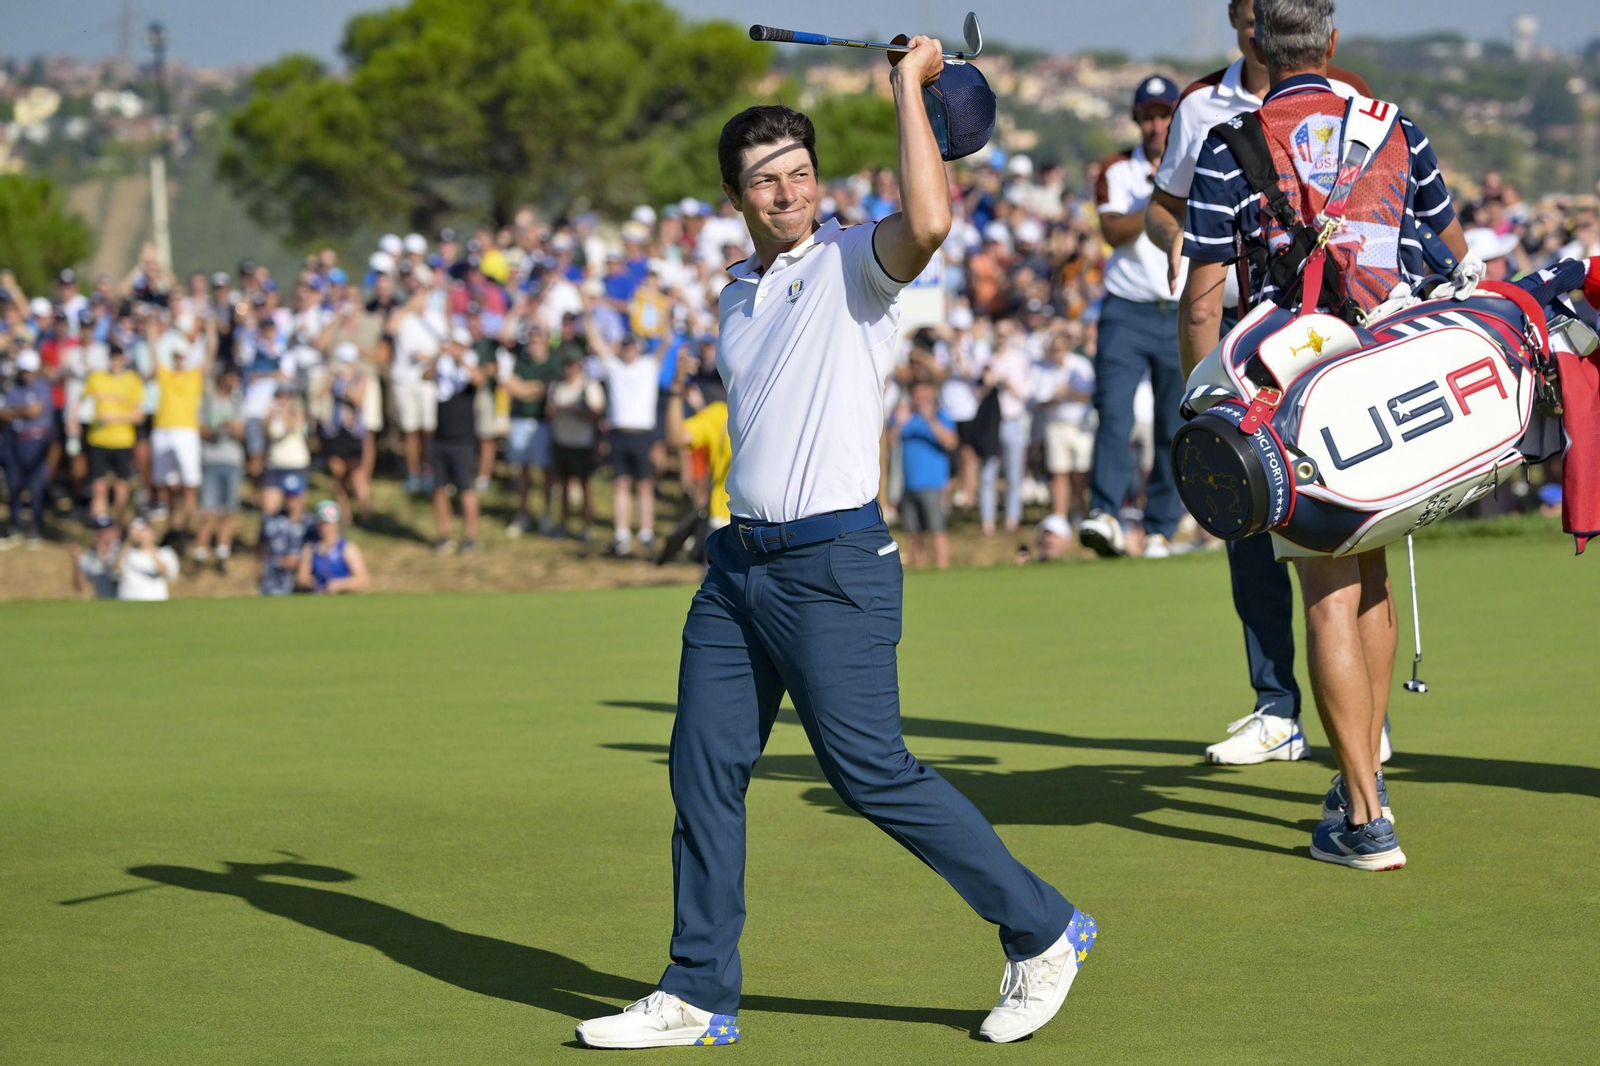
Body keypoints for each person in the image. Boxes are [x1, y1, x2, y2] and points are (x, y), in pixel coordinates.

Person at [576, 41, 1091, 1053]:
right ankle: (695, 988)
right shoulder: (733, 292)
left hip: (833, 565)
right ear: (735, 194)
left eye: (799, 176)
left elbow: (933, 218)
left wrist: (906, 86)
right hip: (736, 569)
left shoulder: (857, 263)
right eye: (765, 181)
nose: (786, 194)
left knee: (868, 771)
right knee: (700, 769)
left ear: (819, 185)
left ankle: (1042, 928)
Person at [1180, 0, 1473, 869]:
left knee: (1325, 590)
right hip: (1390, 376)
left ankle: (1365, 815)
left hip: (1294, 390)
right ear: (1333, 42)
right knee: (1370, 574)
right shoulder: (1397, 129)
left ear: (1259, 45)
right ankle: (1360, 779)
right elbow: (1455, 253)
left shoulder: (1231, 141)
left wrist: (1207, 408)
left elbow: (1202, 298)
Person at [1142, 0, 1375, 763]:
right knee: (1253, 533)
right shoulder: (1202, 108)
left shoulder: (1351, 99)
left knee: (1347, 531)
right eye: (1246, 14)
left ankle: (1362, 713)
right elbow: (1163, 211)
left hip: (1332, 342)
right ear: (1244, 22)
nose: (1253, 29)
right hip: (1241, 341)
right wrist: (1203, 241)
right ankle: (1277, 707)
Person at [1077, 75, 1184, 560]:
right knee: (1114, 413)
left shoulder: (1194, 165)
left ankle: (1161, 527)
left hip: (1179, 307)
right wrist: (1157, 200)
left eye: (1164, 116)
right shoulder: (1116, 169)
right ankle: (1106, 513)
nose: (1157, 125)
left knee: (1172, 422)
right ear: (1137, 121)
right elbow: (1113, 230)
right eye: (1149, 116)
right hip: (1126, 308)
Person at [146, 312, 214, 537]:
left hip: (186, 431)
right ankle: (172, 525)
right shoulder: (165, 374)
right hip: (163, 429)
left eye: (181, 356)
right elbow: (154, 353)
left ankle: (188, 524)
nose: (178, 360)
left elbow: (210, 354)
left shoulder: (194, 376)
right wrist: (151, 333)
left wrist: (210, 330)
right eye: (176, 356)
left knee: (189, 482)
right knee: (166, 483)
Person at [594, 333, 661, 556]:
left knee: (644, 484)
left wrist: (667, 312)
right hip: (618, 432)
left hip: (642, 433)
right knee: (621, 483)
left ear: (639, 348)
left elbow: (667, 341)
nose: (629, 350)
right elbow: (597, 342)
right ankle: (622, 535)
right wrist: (586, 312)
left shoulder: (648, 365)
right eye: (625, 346)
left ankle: (646, 533)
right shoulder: (614, 366)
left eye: (632, 346)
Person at [424, 327, 487, 553]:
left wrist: (460, 358)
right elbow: (425, 376)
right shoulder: (442, 368)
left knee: (465, 487)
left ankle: (471, 536)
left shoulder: (469, 367)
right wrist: (438, 356)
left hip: (463, 438)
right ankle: (445, 535)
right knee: (439, 488)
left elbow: (478, 379)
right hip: (440, 435)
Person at [1031, 326, 1096, 527]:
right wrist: (1056, 397)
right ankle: (1059, 516)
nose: (1058, 353)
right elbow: (1038, 401)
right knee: (1059, 472)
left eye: (1061, 348)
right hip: (1055, 425)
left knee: (1080, 473)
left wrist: (1069, 392)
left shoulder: (1081, 365)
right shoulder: (1041, 369)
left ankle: (1079, 510)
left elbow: (1089, 395)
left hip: (1079, 425)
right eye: (1054, 349)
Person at [503, 322, 561, 537]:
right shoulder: (522, 361)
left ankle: (546, 514)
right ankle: (523, 513)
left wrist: (526, 388)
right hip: (520, 420)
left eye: (539, 340)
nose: (535, 344)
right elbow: (511, 386)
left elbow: (547, 389)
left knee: (546, 471)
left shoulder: (553, 363)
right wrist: (531, 389)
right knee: (523, 471)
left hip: (542, 423)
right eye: (532, 340)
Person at [894, 379, 957, 569]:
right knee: (913, 533)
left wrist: (930, 419)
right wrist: (897, 423)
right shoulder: (905, 417)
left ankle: (942, 570)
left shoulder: (941, 416)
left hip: (933, 484)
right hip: (908, 484)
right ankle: (920, 570)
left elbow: (951, 442)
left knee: (936, 530)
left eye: (924, 394)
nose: (920, 399)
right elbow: (886, 443)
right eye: (917, 394)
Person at [545, 351, 606, 540]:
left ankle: (586, 526)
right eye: (567, 365)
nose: (569, 369)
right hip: (562, 441)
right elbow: (548, 412)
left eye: (573, 364)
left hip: (583, 443)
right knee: (562, 484)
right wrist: (556, 411)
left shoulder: (590, 386)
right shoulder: (557, 386)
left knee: (585, 485)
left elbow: (596, 414)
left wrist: (571, 411)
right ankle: (563, 523)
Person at [81, 342, 145, 521]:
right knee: (99, 485)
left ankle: (116, 523)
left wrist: (114, 418)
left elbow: (139, 415)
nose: (115, 361)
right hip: (98, 439)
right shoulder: (97, 378)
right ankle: (100, 523)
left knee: (121, 484)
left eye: (118, 358)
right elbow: (82, 403)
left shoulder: (132, 380)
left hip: (122, 440)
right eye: (112, 358)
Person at [194, 365, 246, 574]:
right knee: (207, 510)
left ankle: (222, 553)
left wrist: (233, 429)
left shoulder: (238, 401)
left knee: (228, 510)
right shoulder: (208, 399)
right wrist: (215, 431)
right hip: (211, 459)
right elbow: (201, 429)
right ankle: (200, 553)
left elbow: (242, 434)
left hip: (232, 460)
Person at [1, 350, 56, 547]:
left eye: (30, 371)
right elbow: (3, 414)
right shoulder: (13, 388)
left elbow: (34, 412)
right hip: (14, 440)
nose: (27, 375)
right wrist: (22, 411)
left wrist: (15, 412)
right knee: (13, 485)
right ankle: (15, 525)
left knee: (36, 486)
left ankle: (35, 528)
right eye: (24, 371)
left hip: (36, 441)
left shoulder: (42, 387)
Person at [317, 343, 370, 525]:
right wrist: (331, 378)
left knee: (356, 474)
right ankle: (345, 517)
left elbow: (358, 399)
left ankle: (365, 515)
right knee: (338, 474)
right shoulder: (333, 378)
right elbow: (319, 395)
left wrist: (344, 384)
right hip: (335, 431)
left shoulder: (360, 379)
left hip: (353, 433)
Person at [298, 499, 370, 593]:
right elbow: (301, 578)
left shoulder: (346, 548)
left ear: (337, 524)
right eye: (322, 523)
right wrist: (315, 584)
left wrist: (339, 585)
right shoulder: (310, 548)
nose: (326, 528)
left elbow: (363, 579)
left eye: (329, 523)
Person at [261, 385, 311, 519]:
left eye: (286, 397)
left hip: (295, 465)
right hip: (274, 465)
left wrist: (285, 413)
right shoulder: (272, 414)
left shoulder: (298, 412)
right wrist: (269, 417)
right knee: (269, 508)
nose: (283, 400)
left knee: (294, 508)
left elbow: (292, 426)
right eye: (279, 396)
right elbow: (264, 432)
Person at [116, 515, 179, 601]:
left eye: (143, 530)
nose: (140, 534)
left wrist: (149, 546)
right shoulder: (125, 552)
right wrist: (129, 541)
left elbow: (166, 572)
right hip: (128, 603)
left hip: (155, 602)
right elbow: (115, 570)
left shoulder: (165, 552)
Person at [258, 493, 309, 597]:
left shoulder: (310, 523)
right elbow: (260, 547)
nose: (292, 503)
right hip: (272, 581)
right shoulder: (272, 521)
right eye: (289, 498)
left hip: (297, 585)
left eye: (295, 499)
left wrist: (299, 562)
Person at [72, 513, 122, 598]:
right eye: (99, 530)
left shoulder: (122, 550)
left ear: (115, 531)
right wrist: (76, 562)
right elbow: (81, 587)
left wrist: (104, 557)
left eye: (106, 530)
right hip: (104, 603)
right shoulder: (90, 554)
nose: (102, 534)